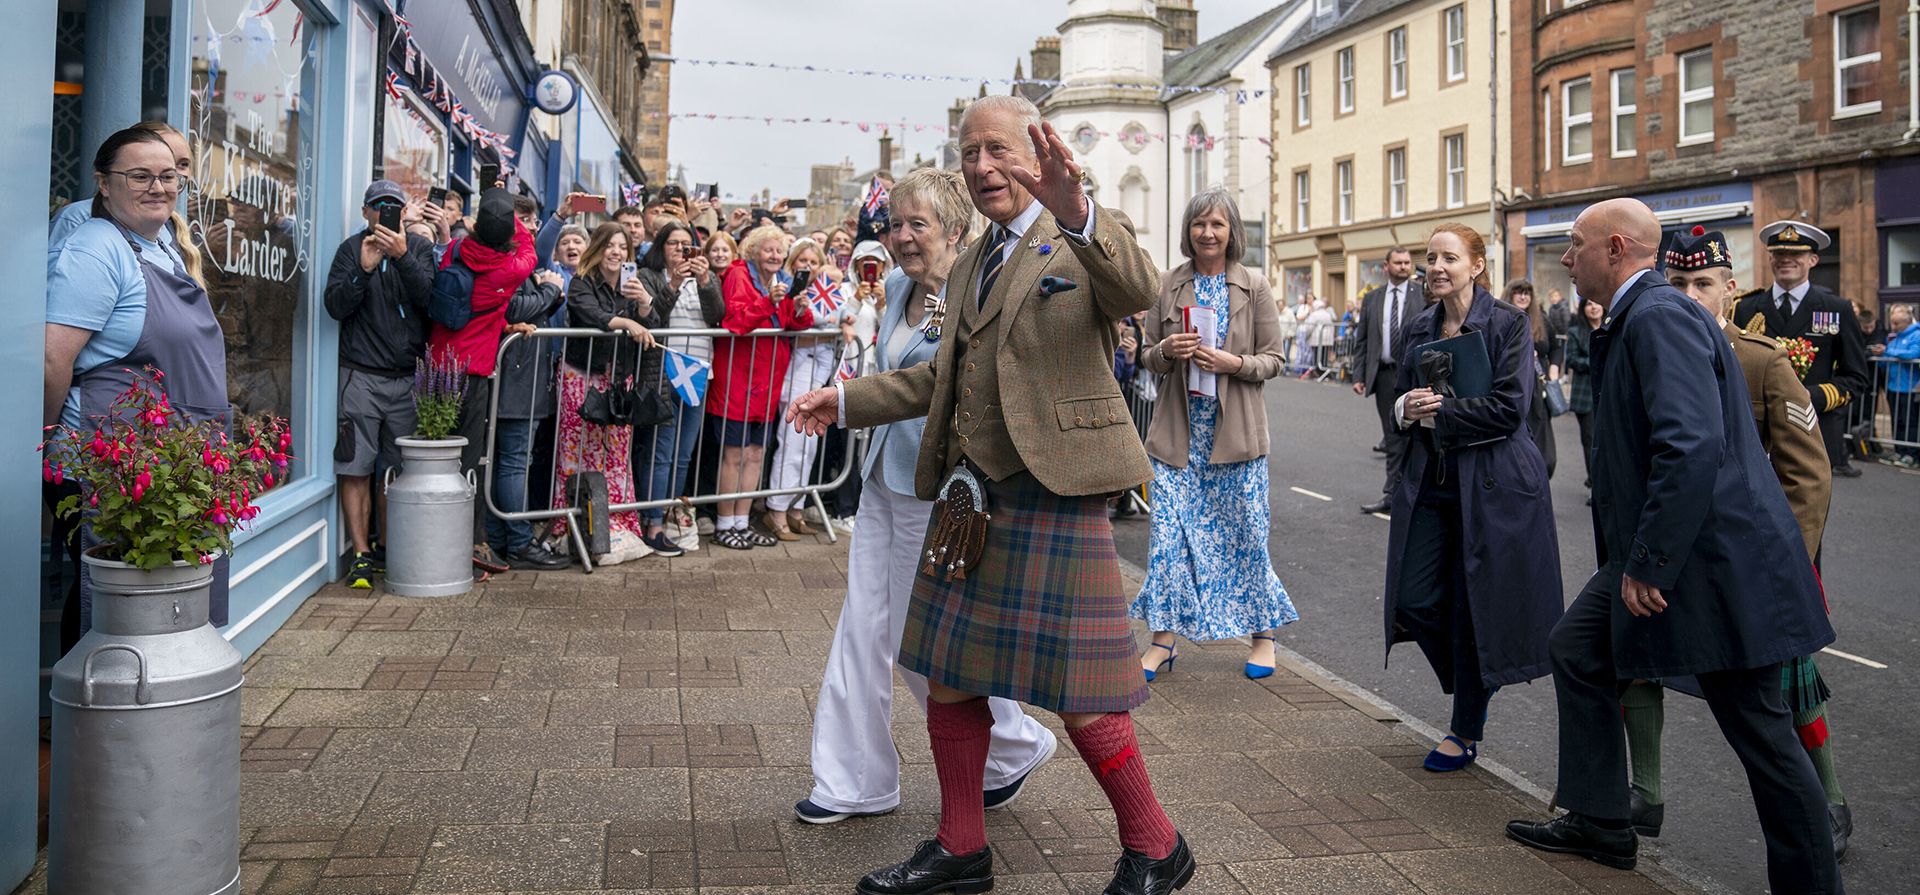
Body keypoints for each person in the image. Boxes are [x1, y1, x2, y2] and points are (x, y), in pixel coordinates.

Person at [788, 97, 1192, 895]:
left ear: (1038, 155)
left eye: (998, 151)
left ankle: (1156, 844)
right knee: (948, 671)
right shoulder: (975, 257)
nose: (982, 167)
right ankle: (961, 846)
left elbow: (1137, 285)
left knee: (1082, 692)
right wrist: (849, 400)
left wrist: (1077, 210)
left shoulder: (1070, 233)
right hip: (973, 496)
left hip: (1056, 489)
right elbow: (943, 374)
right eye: (970, 153)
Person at [1506, 200, 1841, 893]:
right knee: (1577, 646)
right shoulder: (1638, 316)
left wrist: (1650, 561)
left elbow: (1688, 446)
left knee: (1764, 738)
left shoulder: (1657, 317)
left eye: (1575, 245)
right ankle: (1602, 819)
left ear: (1617, 248)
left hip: (1710, 568)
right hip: (1666, 556)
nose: (1566, 258)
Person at [797, 166, 1058, 826]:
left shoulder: (970, 297)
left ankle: (1012, 744)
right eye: (895, 224)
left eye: (919, 224)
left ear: (956, 228)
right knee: (864, 625)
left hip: (942, 489)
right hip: (884, 478)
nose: (904, 237)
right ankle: (853, 779)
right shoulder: (894, 288)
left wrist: (849, 401)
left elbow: (931, 376)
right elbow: (892, 362)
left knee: (925, 639)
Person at [1617, 225, 1848, 855]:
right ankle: (1645, 792)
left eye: (1704, 284)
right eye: (1680, 283)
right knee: (1637, 656)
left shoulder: (1761, 359)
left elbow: (1806, 472)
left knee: (1784, 684)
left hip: (1759, 558)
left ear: (1730, 288)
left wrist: (1788, 565)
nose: (1691, 296)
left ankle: (1827, 800)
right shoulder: (1648, 341)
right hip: (1674, 546)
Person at [1385, 223, 1562, 774]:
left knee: (1473, 605)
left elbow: (1511, 408)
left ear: (1477, 266)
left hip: (1494, 485)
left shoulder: (1508, 323)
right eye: (1431, 258)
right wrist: (1405, 411)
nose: (1437, 267)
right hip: (1433, 482)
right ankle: (1471, 676)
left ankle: (1465, 727)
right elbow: (1398, 399)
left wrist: (1439, 411)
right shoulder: (1418, 326)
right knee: (1413, 599)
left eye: (1450, 258)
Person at [44, 124, 232, 637]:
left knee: (168, 591)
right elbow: (52, 359)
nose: (159, 187)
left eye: (169, 176)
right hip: (116, 458)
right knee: (112, 592)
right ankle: (94, 709)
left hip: (174, 452)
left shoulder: (161, 243)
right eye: (140, 176)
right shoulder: (96, 250)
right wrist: (39, 438)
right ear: (104, 184)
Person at [1130, 188, 1297, 681]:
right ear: (1188, 231)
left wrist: (1233, 363)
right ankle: (1163, 641)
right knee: (1169, 539)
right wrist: (1167, 350)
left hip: (1235, 437)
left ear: (1232, 233)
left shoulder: (1254, 286)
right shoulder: (1167, 284)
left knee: (1246, 534)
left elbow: (1274, 359)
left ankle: (1263, 636)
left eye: (1217, 225)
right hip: (1178, 435)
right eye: (1199, 224)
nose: (1207, 233)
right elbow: (1145, 355)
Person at [323, 180, 436, 587]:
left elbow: (430, 300)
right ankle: (361, 553)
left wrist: (403, 256)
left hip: (407, 379)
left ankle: (388, 548)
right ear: (365, 211)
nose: (384, 213)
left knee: (398, 470)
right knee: (355, 467)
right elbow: (335, 305)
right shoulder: (350, 250)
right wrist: (363, 269)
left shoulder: (420, 249)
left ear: (403, 213)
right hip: (361, 377)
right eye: (377, 206)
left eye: (393, 207)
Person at [426, 188, 537, 578]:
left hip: (436, 368)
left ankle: (434, 544)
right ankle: (470, 546)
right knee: (468, 464)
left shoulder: (456, 249)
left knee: (434, 461)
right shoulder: (509, 267)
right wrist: (510, 215)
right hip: (471, 375)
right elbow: (529, 249)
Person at [487, 194, 582, 571]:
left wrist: (549, 295)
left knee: (510, 462)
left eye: (532, 220)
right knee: (512, 462)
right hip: (514, 377)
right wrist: (550, 291)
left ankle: (502, 537)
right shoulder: (504, 261)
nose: (530, 227)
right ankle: (519, 542)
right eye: (524, 220)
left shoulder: (519, 261)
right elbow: (512, 308)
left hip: (523, 376)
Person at [551, 223, 656, 564]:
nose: (616, 252)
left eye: (622, 247)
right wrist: (626, 323)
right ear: (597, 248)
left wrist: (642, 306)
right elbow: (590, 314)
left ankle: (617, 522)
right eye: (610, 245)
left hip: (617, 379)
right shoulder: (582, 281)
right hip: (582, 377)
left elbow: (647, 325)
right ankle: (569, 524)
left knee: (615, 455)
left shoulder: (630, 285)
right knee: (579, 451)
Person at [1731, 222, 1870, 478]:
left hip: (1813, 427)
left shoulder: (1836, 309)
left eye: (1795, 254)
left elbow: (1856, 377)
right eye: (1779, 253)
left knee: (1807, 512)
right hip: (1756, 430)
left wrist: (1809, 396)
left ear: (1813, 259)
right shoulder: (1745, 308)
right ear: (1770, 258)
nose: (1786, 259)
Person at [710, 224, 816, 549]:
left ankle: (742, 521)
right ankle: (725, 523)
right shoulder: (738, 275)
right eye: (768, 249)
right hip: (738, 380)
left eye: (779, 250)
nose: (775, 255)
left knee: (756, 454)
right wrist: (768, 301)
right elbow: (735, 321)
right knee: (734, 455)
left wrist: (798, 309)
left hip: (766, 382)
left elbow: (794, 323)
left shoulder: (781, 280)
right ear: (754, 250)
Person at [634, 220, 723, 556]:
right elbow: (652, 318)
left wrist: (703, 280)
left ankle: (671, 516)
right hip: (663, 374)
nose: (681, 250)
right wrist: (673, 283)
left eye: (688, 244)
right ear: (661, 246)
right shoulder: (650, 276)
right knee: (661, 453)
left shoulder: (706, 278)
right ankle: (652, 522)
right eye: (674, 243)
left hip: (698, 375)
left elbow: (718, 314)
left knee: (683, 455)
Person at [764, 237, 848, 539]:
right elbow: (795, 329)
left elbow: (839, 318)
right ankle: (776, 509)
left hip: (820, 371)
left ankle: (796, 506)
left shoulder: (826, 291)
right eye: (803, 261)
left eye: (814, 262)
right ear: (793, 262)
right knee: (792, 441)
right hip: (798, 370)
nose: (808, 267)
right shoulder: (790, 290)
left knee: (809, 441)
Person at [1352, 247, 1423, 515]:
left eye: (1407, 263)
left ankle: (1409, 493)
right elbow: (1363, 341)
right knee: (1392, 436)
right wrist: (1359, 375)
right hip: (1383, 376)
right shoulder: (1372, 298)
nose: (1404, 267)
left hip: (1413, 376)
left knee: (1414, 436)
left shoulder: (1422, 295)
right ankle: (1392, 495)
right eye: (1398, 262)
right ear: (1386, 266)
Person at [1504, 279, 1559, 478]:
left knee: (1545, 453)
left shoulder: (1541, 320)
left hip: (1538, 389)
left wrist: (1553, 368)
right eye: (1518, 292)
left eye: (1527, 293)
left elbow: (1555, 348)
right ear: (1510, 294)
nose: (1523, 296)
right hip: (1511, 386)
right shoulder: (1501, 319)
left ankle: (1539, 480)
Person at [1563, 296, 1603, 489]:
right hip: (1585, 395)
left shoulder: (1613, 327)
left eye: (1596, 303)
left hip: (1610, 396)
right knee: (1590, 441)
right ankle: (1594, 484)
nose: (1593, 307)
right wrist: (1595, 362)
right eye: (1588, 304)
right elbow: (1571, 359)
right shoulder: (1576, 332)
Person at [1881, 304, 1920, 468]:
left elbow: (1913, 354)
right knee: (1897, 421)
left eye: (1897, 323)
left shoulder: (1916, 335)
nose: (1893, 327)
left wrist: (1888, 352)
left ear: (1907, 320)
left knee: (1909, 422)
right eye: (1892, 323)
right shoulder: (1895, 337)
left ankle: (1911, 454)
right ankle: (1899, 450)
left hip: (1909, 387)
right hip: (1893, 386)